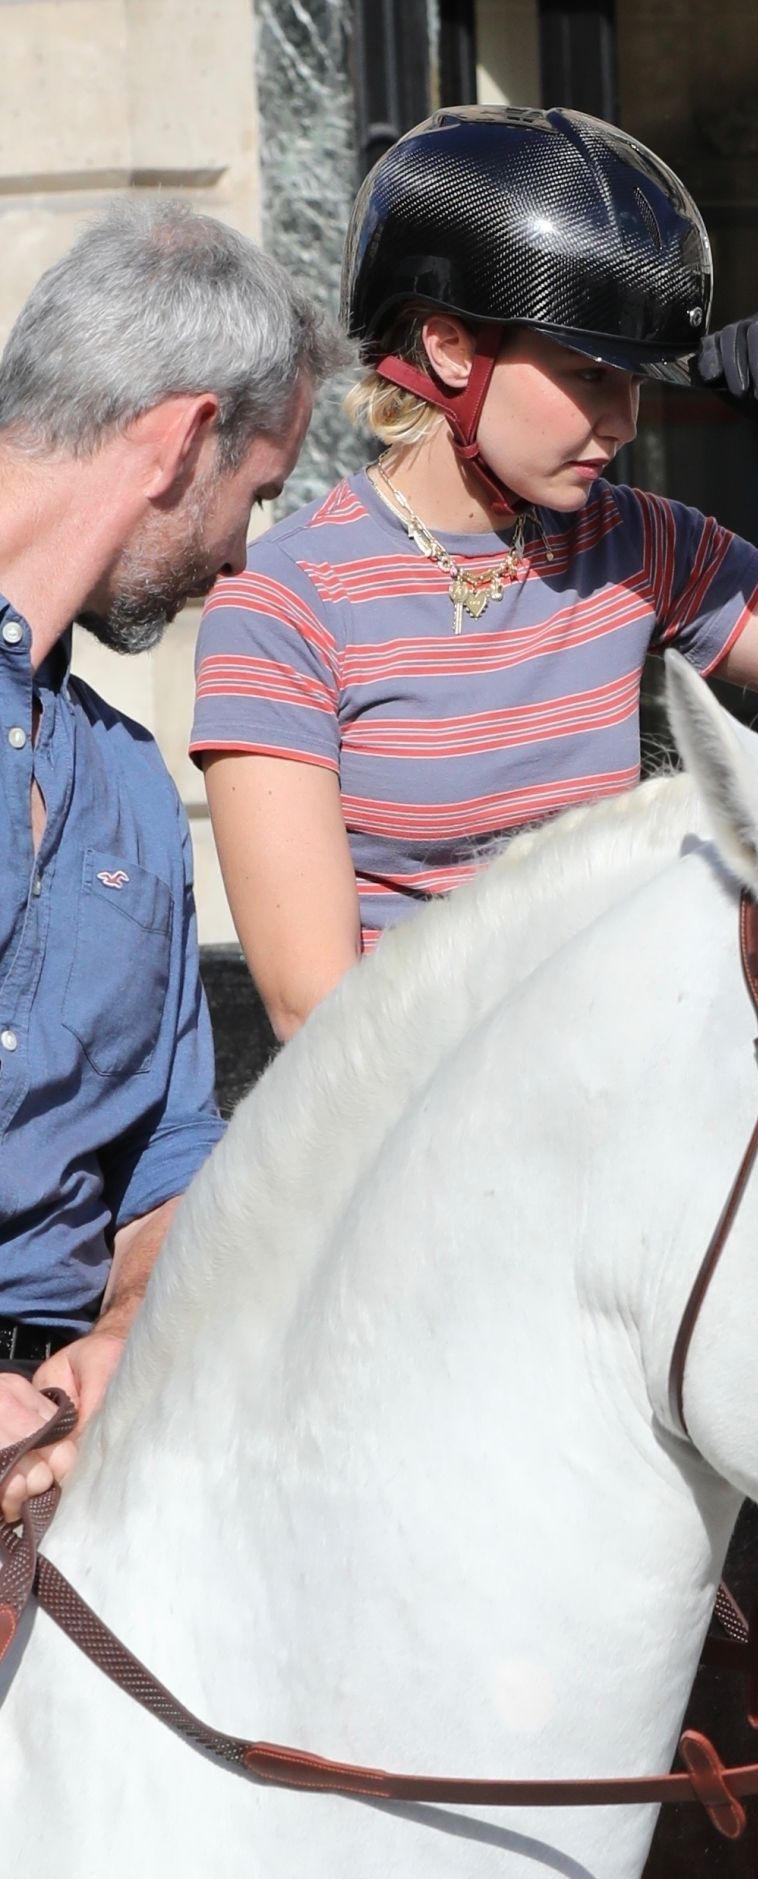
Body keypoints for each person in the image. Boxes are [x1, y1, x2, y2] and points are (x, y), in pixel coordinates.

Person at [192, 105, 758, 1044]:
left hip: (629, 1086)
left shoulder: (636, 545)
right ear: (450, 347)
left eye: (637, 383)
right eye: (589, 375)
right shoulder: (282, 605)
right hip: (427, 1134)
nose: (624, 422)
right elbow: (316, 1012)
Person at [0, 199, 341, 1518]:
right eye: (254, 495)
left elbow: (167, 1146)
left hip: (74, 1487)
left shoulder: (132, 786)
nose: (243, 554)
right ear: (188, 438)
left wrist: (133, 1326)